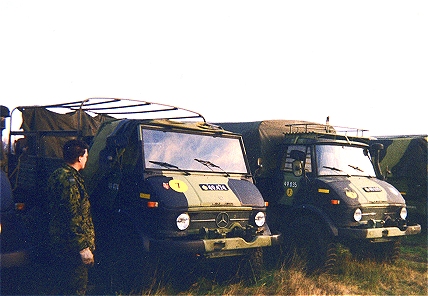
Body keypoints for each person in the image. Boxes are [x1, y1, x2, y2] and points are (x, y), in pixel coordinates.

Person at [47, 139, 95, 295]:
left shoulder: (58, 174)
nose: (87, 159)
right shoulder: (70, 181)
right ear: (80, 158)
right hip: (71, 246)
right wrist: (83, 248)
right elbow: (72, 216)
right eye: (86, 156)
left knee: (61, 284)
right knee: (76, 288)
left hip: (60, 241)